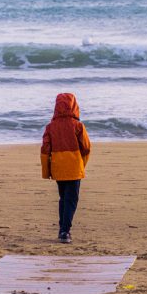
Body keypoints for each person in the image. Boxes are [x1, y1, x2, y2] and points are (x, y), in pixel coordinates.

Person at [41, 93, 91, 243]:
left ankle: (62, 229)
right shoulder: (77, 126)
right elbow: (87, 148)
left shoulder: (51, 127)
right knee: (71, 199)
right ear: (74, 106)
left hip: (58, 167)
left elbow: (45, 150)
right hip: (74, 167)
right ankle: (65, 231)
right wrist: (81, 164)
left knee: (63, 198)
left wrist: (47, 171)